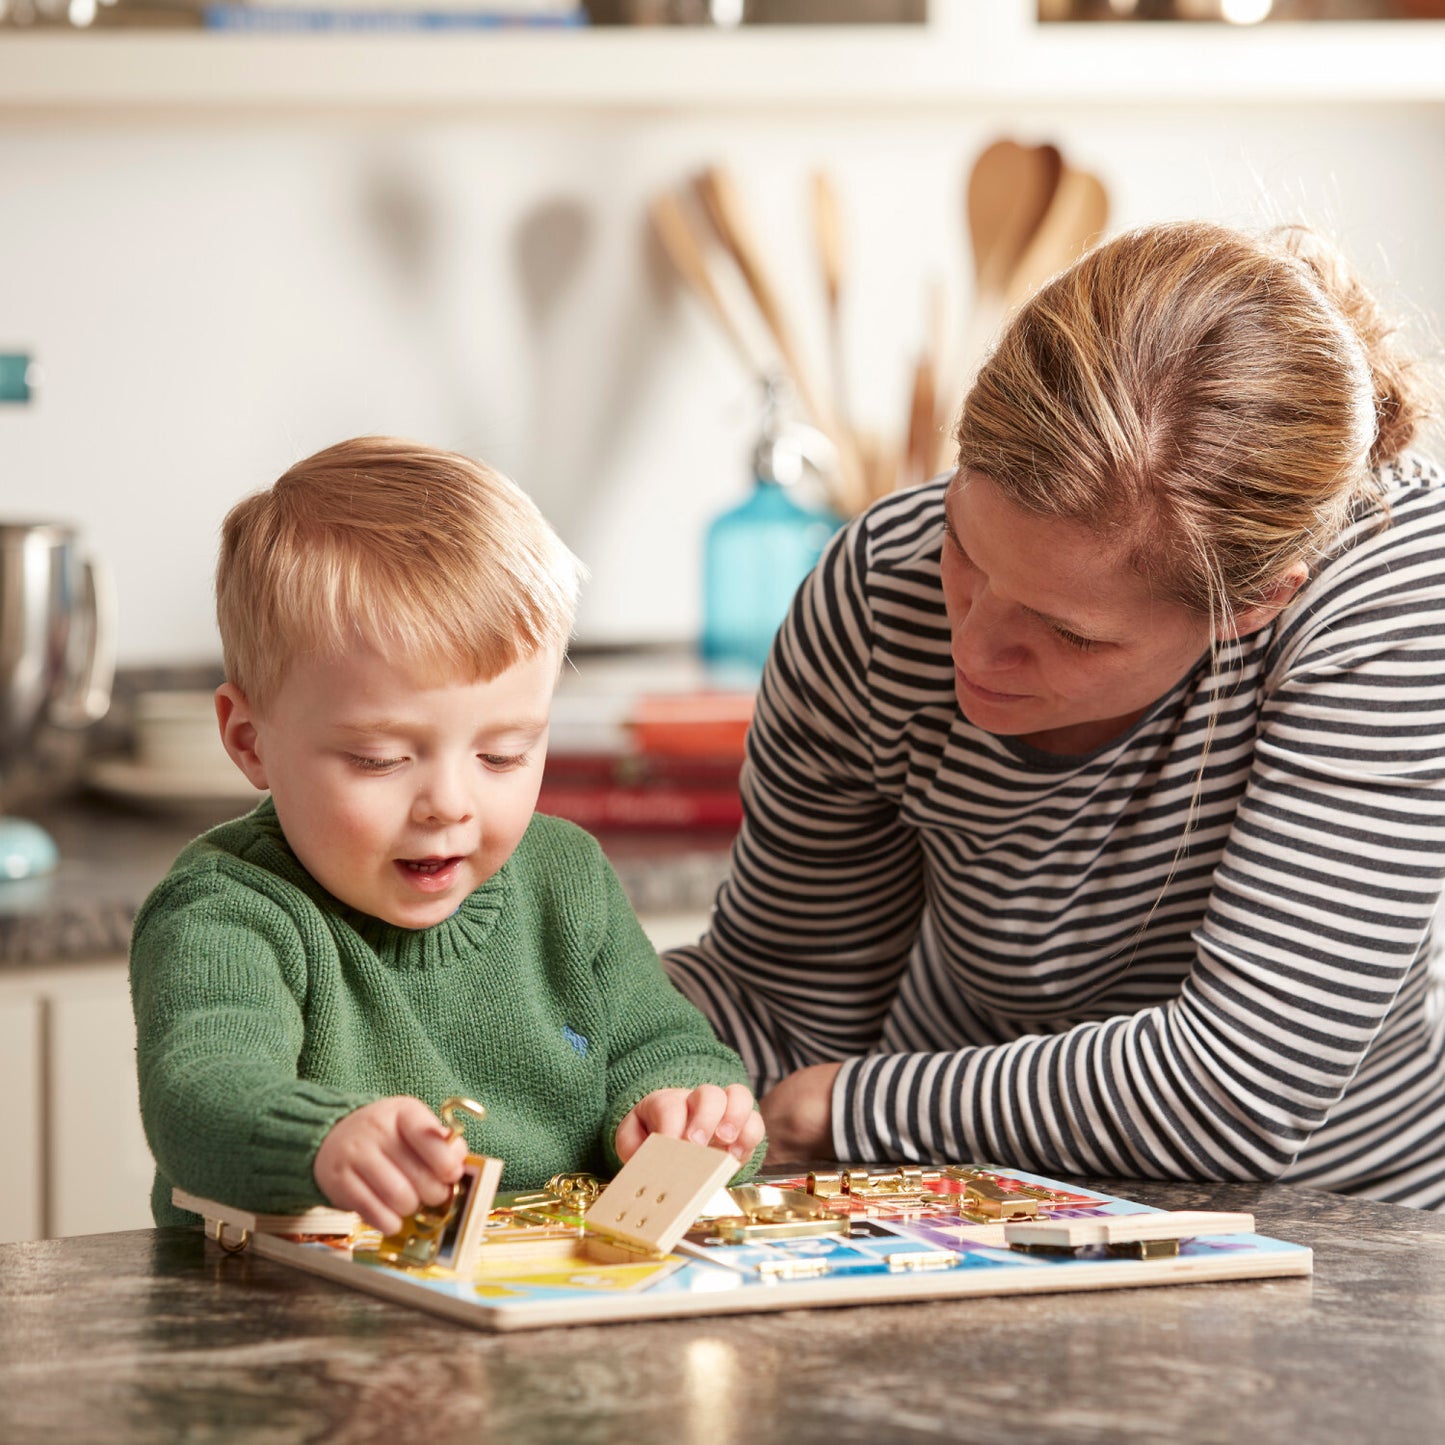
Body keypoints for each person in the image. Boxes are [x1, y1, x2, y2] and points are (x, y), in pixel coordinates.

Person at [665, 220, 1445, 1209]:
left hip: (1333, 1229)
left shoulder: (1394, 588)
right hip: (968, 1206)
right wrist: (542, 1042)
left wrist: (852, 1107)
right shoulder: (877, 588)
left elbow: (1240, 1082)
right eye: (965, 550)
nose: (972, 648)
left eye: (1069, 634)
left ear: (1252, 604)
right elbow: (783, 1004)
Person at [131, 436, 764, 1235]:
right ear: (251, 740)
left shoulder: (565, 874)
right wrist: (322, 1143)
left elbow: (660, 1043)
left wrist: (686, 1111)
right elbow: (199, 1094)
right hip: (291, 1324)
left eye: (504, 753)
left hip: (545, 1311)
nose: (448, 803)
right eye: (380, 758)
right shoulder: (227, 908)